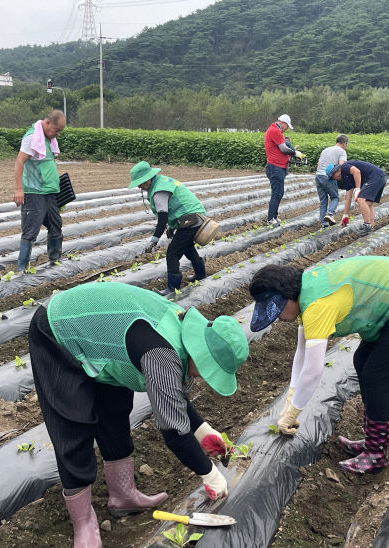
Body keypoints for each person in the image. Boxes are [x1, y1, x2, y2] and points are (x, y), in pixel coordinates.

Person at [29, 282, 249, 548]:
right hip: (59, 329)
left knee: (115, 410)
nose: (202, 377)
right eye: (205, 370)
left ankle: (123, 496)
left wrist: (203, 432)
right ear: (199, 355)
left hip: (102, 337)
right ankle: (84, 521)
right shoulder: (161, 354)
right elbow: (174, 432)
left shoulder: (180, 334)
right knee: (74, 426)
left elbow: (172, 397)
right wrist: (209, 473)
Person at [248, 257, 389, 474]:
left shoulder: (317, 305)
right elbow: (301, 355)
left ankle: (376, 453)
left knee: (377, 376)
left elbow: (312, 371)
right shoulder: (306, 296)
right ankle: (372, 441)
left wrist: (293, 411)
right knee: (362, 361)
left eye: (277, 308)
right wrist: (290, 399)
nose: (277, 317)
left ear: (287, 297)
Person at [129, 161, 208, 295]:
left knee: (172, 253)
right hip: (193, 217)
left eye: (142, 183)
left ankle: (172, 288)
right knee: (188, 248)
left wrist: (155, 239)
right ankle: (201, 275)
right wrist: (172, 227)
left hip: (190, 219)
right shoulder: (161, 181)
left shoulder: (159, 190)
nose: (140, 187)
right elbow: (174, 208)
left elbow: (163, 216)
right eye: (139, 184)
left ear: (149, 179)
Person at [13, 110, 66, 271]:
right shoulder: (32, 138)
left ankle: (54, 261)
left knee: (56, 226)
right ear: (48, 122)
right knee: (30, 231)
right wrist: (19, 189)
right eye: (56, 130)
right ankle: (22, 269)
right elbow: (19, 162)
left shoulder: (47, 139)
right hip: (34, 192)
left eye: (59, 132)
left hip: (49, 192)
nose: (56, 134)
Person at [326, 160, 388, 235]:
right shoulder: (347, 179)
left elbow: (357, 172)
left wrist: (358, 189)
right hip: (379, 177)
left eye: (332, 177)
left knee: (361, 199)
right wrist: (345, 215)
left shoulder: (344, 167)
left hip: (376, 176)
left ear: (336, 171)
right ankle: (371, 226)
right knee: (368, 203)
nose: (334, 179)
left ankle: (367, 225)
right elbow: (348, 198)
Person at [264, 114, 304, 227]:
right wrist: (295, 153)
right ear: (283, 123)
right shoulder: (275, 131)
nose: (286, 128)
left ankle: (274, 217)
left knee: (279, 193)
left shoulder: (274, 130)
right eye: (286, 126)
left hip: (278, 167)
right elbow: (283, 149)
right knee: (277, 193)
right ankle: (271, 218)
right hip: (275, 167)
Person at [314, 134, 348, 228]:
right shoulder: (342, 152)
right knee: (335, 197)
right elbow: (342, 166)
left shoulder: (326, 149)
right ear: (344, 144)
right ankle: (330, 214)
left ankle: (323, 223)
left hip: (318, 175)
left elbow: (318, 164)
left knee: (323, 201)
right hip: (328, 176)